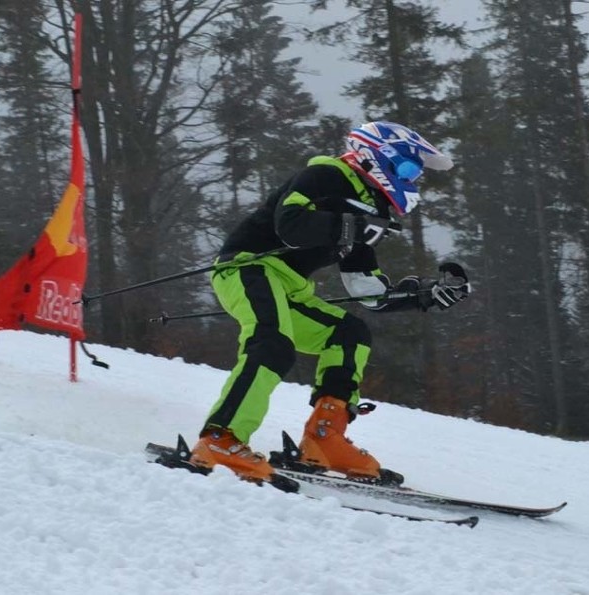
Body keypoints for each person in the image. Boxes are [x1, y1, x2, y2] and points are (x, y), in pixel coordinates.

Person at [189, 121, 471, 482]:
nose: (412, 181)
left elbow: (366, 291)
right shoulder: (326, 173)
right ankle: (220, 437)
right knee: (272, 342)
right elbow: (289, 223)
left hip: (289, 287)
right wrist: (349, 226)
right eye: (408, 169)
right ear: (375, 156)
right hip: (248, 268)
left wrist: (425, 296)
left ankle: (324, 439)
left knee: (349, 333)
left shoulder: (371, 211)